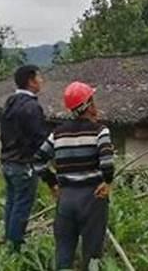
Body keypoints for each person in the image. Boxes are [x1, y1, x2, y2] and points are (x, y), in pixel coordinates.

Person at [34, 81, 115, 271]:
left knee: (64, 251)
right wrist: (107, 182)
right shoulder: (100, 131)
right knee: (93, 252)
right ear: (88, 105)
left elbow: (38, 160)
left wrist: (53, 183)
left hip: (66, 199)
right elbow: (107, 162)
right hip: (92, 197)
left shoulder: (57, 134)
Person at [0, 65, 47, 251]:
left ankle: (8, 240)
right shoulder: (31, 107)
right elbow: (38, 139)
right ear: (31, 81)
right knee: (22, 207)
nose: (42, 81)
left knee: (12, 203)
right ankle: (14, 249)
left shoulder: (10, 103)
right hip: (23, 164)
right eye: (39, 77)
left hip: (7, 162)